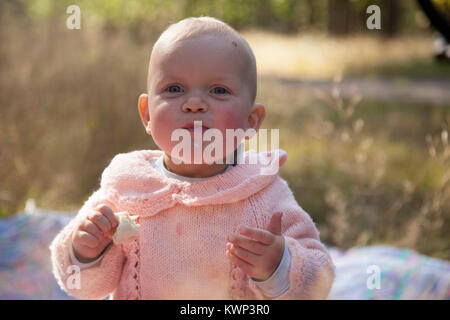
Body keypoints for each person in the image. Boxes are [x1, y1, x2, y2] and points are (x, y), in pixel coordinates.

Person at [49, 16, 335, 300]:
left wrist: (278, 265)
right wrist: (85, 251)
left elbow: (318, 283)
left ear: (251, 120)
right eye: (174, 89)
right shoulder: (128, 186)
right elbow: (81, 286)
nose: (194, 103)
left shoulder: (262, 193)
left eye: (218, 90)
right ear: (147, 114)